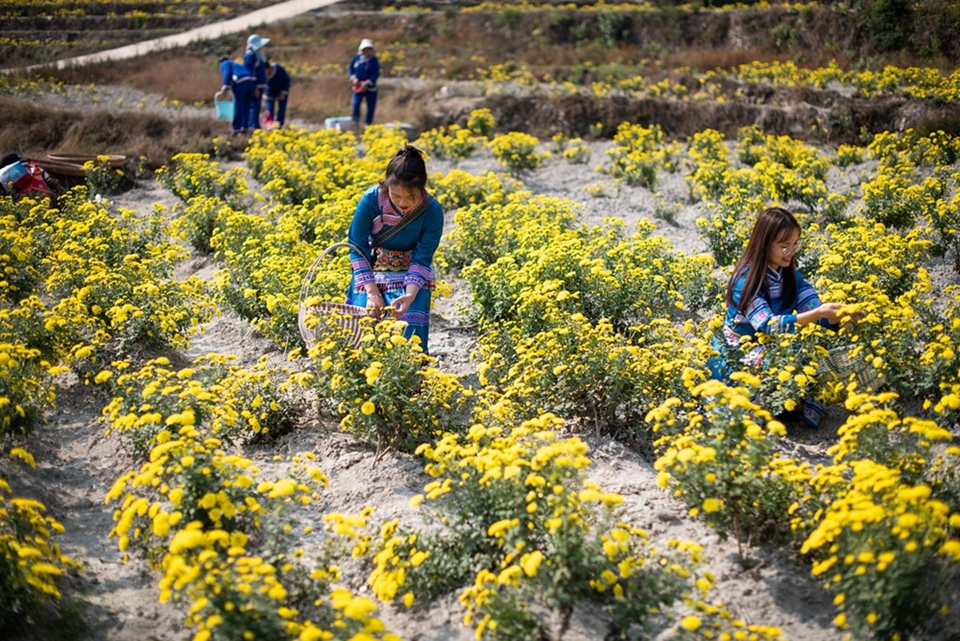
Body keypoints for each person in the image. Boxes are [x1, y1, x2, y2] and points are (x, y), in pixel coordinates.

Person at [708, 207, 849, 428]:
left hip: (771, 347)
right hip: (738, 352)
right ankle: (769, 406)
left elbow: (813, 309)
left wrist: (836, 317)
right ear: (764, 244)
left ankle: (782, 405)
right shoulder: (745, 280)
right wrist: (818, 313)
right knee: (788, 359)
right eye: (784, 245)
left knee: (809, 355)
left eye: (795, 244)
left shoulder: (789, 275)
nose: (791, 251)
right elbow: (768, 325)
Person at [346, 145, 443, 353]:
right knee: (366, 318)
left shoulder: (432, 210)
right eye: (396, 195)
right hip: (373, 266)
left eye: (411, 197)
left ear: (423, 188)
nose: (403, 203)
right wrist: (372, 292)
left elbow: (422, 257)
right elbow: (357, 247)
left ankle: (410, 375)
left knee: (407, 322)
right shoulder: (371, 200)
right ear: (386, 185)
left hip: (412, 271)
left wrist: (409, 295)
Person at [219, 56, 256, 134]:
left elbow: (227, 72)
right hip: (251, 81)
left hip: (241, 83)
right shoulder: (236, 63)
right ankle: (245, 127)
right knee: (247, 106)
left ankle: (236, 129)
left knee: (239, 105)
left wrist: (225, 85)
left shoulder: (225, 63)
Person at [349, 38, 380, 128]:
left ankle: (368, 124)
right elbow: (351, 69)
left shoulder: (374, 60)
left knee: (370, 106)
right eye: (365, 49)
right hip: (358, 86)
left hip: (370, 87)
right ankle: (355, 122)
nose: (366, 51)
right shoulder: (357, 58)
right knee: (356, 103)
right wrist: (353, 78)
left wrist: (367, 82)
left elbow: (376, 73)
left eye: (368, 49)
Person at [244, 33, 269, 130]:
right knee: (253, 107)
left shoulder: (257, 54)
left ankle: (255, 125)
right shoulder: (249, 56)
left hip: (260, 86)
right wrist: (254, 88)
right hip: (255, 86)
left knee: (257, 107)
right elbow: (249, 73)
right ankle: (253, 126)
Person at [264, 59, 291, 127]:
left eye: (265, 71)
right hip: (270, 92)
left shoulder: (278, 69)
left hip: (281, 89)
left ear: (268, 68)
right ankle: (269, 124)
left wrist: (283, 92)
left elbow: (287, 79)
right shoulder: (263, 74)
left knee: (282, 108)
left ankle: (279, 125)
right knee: (269, 109)